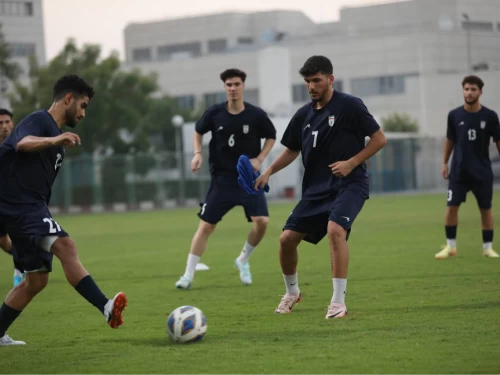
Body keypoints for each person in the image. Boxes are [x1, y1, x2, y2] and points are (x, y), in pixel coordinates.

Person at [255, 55, 387, 319]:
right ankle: (292, 293)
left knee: (335, 230)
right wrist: (268, 170)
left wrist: (352, 162)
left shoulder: (350, 106)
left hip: (350, 184)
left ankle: (338, 303)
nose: (312, 86)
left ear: (330, 79)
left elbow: (379, 138)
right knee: (286, 240)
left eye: (316, 80)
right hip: (316, 190)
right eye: (307, 82)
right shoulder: (303, 114)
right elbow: (292, 149)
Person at [0, 75, 127, 347]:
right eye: (82, 105)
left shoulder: (56, 139)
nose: (83, 113)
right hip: (20, 206)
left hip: (22, 208)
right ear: (68, 99)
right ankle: (106, 307)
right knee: (66, 246)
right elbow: (21, 143)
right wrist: (55, 140)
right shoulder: (41, 121)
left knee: (37, 280)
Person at [175, 68, 277, 289]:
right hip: (222, 180)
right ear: (224, 87)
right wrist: (197, 154)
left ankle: (242, 260)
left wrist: (260, 158)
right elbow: (198, 131)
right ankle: (188, 276)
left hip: (249, 179)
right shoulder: (214, 113)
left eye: (236, 84)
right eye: (229, 85)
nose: (233, 88)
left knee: (262, 222)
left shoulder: (256, 114)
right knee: (206, 227)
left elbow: (271, 136)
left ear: (243, 86)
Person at [435, 75, 500, 259]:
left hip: (482, 172)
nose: (469, 92)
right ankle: (451, 247)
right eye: (466, 89)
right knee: (451, 208)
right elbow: (450, 140)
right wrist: (444, 163)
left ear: (480, 92)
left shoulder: (490, 116)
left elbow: (498, 141)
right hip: (459, 172)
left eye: (473, 89)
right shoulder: (454, 115)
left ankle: (488, 248)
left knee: (486, 209)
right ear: (463, 91)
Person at [0, 108, 25, 286]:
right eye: (0, 123)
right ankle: (26, 258)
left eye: (7, 122)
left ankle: (19, 270)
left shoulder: (20, 145)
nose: (4, 126)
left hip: (17, 200)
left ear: (12, 123)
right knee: (3, 242)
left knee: (18, 236)